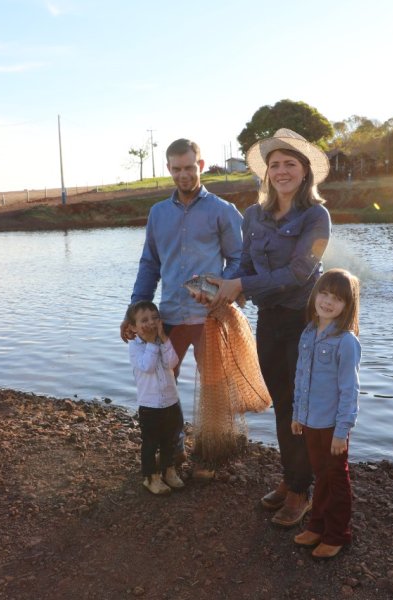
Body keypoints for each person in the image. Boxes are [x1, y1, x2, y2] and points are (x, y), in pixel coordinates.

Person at [209, 128, 331, 527]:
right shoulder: (252, 216)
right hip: (269, 321)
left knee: (300, 406)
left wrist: (241, 285)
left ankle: (301, 493)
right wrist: (220, 287)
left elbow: (300, 273)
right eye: (275, 164)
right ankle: (290, 479)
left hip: (305, 323)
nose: (281, 171)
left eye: (290, 164)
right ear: (267, 173)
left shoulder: (317, 216)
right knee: (281, 403)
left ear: (305, 171)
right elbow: (245, 264)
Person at [121, 138, 243, 463]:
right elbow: (149, 265)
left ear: (200, 165)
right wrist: (135, 312)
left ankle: (210, 457)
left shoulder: (223, 211)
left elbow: (240, 260)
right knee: (163, 388)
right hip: (170, 317)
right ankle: (171, 454)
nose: (184, 175)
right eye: (177, 169)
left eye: (190, 167)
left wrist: (221, 291)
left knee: (214, 392)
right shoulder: (157, 213)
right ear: (169, 170)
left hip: (210, 317)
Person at [291, 268, 361, 559]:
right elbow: (300, 377)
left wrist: (341, 431)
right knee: (320, 475)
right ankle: (317, 526)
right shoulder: (308, 333)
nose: (328, 302)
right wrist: (297, 414)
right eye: (324, 293)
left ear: (347, 305)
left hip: (332, 426)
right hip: (310, 421)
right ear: (315, 294)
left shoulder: (346, 342)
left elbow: (350, 390)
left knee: (336, 479)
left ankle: (337, 534)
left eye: (337, 298)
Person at [125, 300, 186, 495]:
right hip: (150, 406)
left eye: (154, 318)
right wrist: (152, 343)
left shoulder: (163, 341)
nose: (150, 323)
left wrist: (163, 338)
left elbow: (172, 362)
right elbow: (147, 366)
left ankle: (169, 470)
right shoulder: (135, 347)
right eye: (144, 320)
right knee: (151, 443)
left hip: (171, 401)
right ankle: (150, 477)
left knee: (170, 440)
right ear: (133, 327)